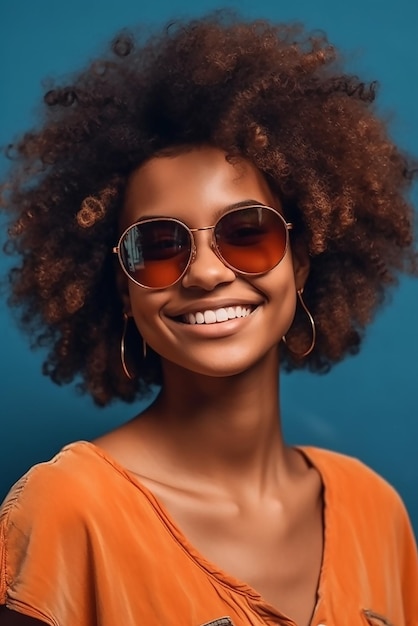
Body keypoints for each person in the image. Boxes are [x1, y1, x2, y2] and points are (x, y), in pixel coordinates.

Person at [0, 11, 417, 626]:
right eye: (159, 246)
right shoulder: (67, 510)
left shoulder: (375, 508)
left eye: (247, 234)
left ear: (300, 262)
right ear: (121, 287)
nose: (204, 273)